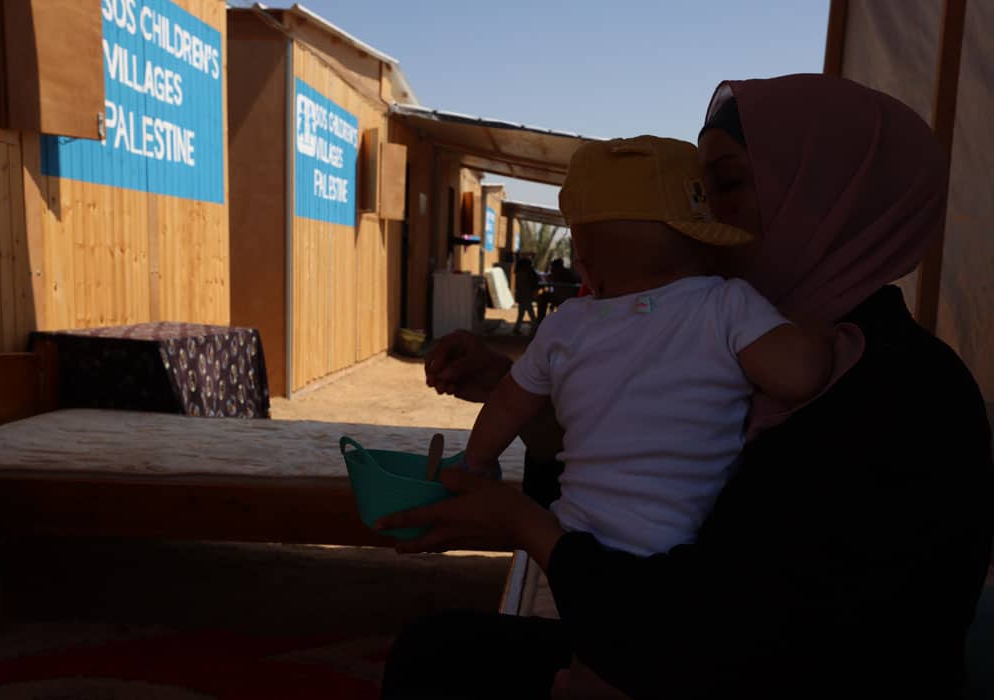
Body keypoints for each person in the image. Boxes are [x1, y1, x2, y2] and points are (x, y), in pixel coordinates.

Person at [378, 74, 994, 699]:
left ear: (828, 201)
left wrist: (522, 524)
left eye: (724, 186)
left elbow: (717, 629)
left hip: (763, 672)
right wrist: (524, 395)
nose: (696, 216)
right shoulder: (741, 337)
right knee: (438, 654)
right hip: (677, 639)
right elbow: (634, 487)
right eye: (694, 192)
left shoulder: (902, 394)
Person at [462, 135, 833, 562]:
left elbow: (507, 404)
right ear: (703, 244)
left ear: (584, 261)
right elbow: (799, 376)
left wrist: (478, 464)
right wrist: (818, 335)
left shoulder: (565, 324)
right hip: (677, 553)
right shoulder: (727, 304)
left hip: (570, 540)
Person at [514, 256, 540, 335]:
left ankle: (518, 328)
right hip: (525, 295)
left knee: (522, 313)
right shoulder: (527, 273)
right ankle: (535, 329)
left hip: (523, 295)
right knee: (529, 313)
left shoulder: (520, 272)